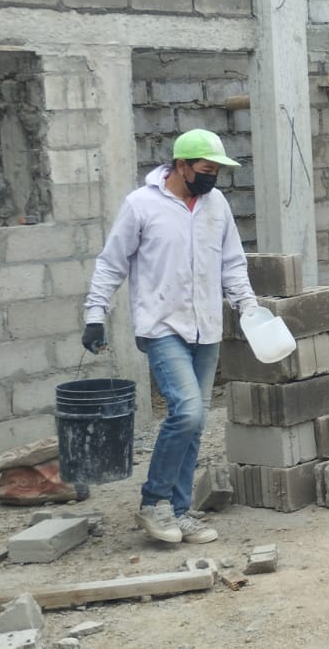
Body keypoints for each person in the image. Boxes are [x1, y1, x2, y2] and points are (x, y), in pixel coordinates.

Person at [81, 129, 257, 545]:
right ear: (181, 166)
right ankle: (153, 502)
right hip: (161, 326)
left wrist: (248, 306)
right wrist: (95, 314)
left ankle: (179, 511)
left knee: (194, 423)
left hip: (206, 327)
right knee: (188, 411)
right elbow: (111, 263)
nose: (213, 177)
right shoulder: (141, 205)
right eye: (206, 169)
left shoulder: (217, 205)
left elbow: (232, 262)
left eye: (217, 170)